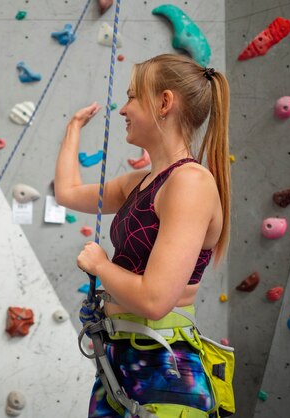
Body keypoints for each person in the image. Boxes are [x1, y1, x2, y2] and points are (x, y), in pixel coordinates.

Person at [54, 54, 230, 417]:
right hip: (120, 357)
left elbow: (154, 300)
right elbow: (67, 193)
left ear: (165, 103)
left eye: (133, 97)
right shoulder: (141, 182)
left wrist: (100, 265)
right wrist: (73, 128)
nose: (123, 109)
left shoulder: (190, 183)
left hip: (163, 363)